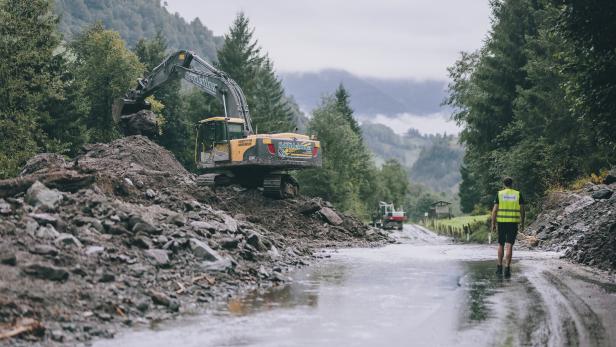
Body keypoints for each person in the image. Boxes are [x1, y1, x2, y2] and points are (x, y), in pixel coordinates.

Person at [491, 177, 525, 278]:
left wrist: (493, 224)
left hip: (501, 223)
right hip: (513, 223)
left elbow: (494, 210)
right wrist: (522, 222)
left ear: (504, 184)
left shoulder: (500, 194)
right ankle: (507, 269)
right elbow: (522, 210)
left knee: (501, 244)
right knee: (509, 245)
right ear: (512, 184)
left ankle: (499, 267)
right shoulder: (517, 194)